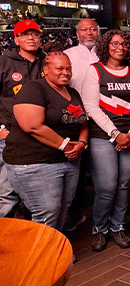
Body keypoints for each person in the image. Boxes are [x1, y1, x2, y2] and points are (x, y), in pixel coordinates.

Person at [4, 52, 87, 230]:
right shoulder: (34, 88)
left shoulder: (72, 92)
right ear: (46, 70)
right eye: (59, 68)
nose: (65, 72)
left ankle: (55, 252)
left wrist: (81, 143)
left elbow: (83, 122)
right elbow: (32, 125)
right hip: (35, 162)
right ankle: (41, 256)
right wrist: (66, 146)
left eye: (68, 69)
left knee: (62, 209)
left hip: (68, 161)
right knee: (46, 212)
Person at [82, 30, 130, 252]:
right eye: (114, 43)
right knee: (106, 187)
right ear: (106, 46)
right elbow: (90, 107)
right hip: (103, 137)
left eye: (124, 44)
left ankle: (117, 226)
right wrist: (115, 134)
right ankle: (99, 229)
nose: (120, 47)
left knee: (123, 184)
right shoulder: (95, 70)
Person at [0, 19, 45, 218]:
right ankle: (5, 240)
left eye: (34, 34)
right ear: (16, 39)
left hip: (39, 135)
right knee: (7, 192)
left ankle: (31, 236)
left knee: (36, 192)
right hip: (10, 134)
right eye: (24, 34)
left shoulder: (47, 61)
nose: (30, 38)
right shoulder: (4, 62)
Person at [63, 17, 100, 232]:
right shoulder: (68, 55)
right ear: (77, 34)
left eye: (93, 29)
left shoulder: (106, 54)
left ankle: (101, 214)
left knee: (103, 173)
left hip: (104, 121)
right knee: (77, 172)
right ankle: (74, 215)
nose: (88, 33)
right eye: (84, 30)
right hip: (76, 122)